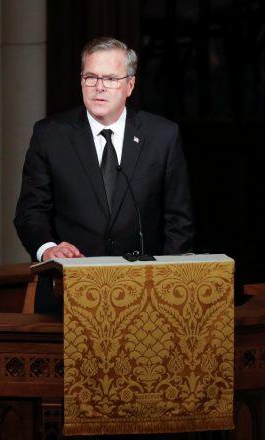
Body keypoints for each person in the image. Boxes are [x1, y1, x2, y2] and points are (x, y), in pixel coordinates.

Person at [14, 37, 195, 313]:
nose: (99, 87)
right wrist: (48, 249)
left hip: (145, 297)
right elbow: (30, 211)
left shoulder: (162, 136)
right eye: (91, 77)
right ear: (81, 81)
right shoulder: (50, 135)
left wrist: (164, 287)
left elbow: (178, 222)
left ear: (129, 85)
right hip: (68, 294)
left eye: (110, 78)